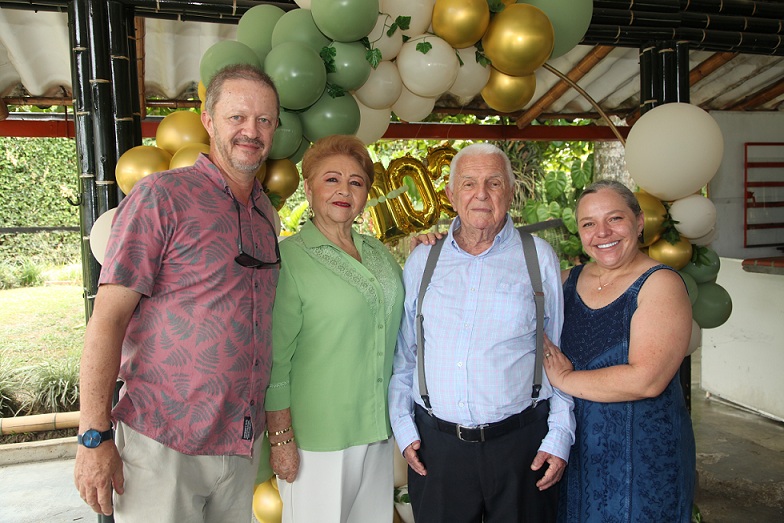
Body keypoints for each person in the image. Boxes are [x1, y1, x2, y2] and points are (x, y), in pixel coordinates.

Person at [73, 64, 281, 521]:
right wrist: (94, 436)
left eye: (265, 120)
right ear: (208, 120)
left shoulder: (266, 212)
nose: (251, 130)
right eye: (237, 117)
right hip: (164, 443)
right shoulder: (160, 197)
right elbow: (107, 319)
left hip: (240, 443)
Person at [388, 142, 575, 523]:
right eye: (469, 184)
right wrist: (405, 430)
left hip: (521, 446)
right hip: (437, 450)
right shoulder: (424, 258)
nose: (482, 195)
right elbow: (406, 354)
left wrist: (559, 435)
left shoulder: (538, 256)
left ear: (509, 191)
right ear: (451, 195)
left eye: (494, 183)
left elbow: (558, 353)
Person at [264, 134, 405, 523]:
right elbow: (275, 360)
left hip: (377, 432)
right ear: (308, 189)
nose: (344, 190)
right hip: (315, 442)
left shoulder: (379, 254)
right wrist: (281, 441)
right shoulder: (288, 259)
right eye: (331, 179)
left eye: (356, 182)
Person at [542, 179, 696, 522]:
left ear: (638, 222)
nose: (602, 232)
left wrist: (565, 378)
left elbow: (647, 380)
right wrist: (435, 247)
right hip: (572, 454)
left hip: (643, 460)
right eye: (589, 224)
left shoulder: (661, 284)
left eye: (614, 219)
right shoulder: (563, 281)